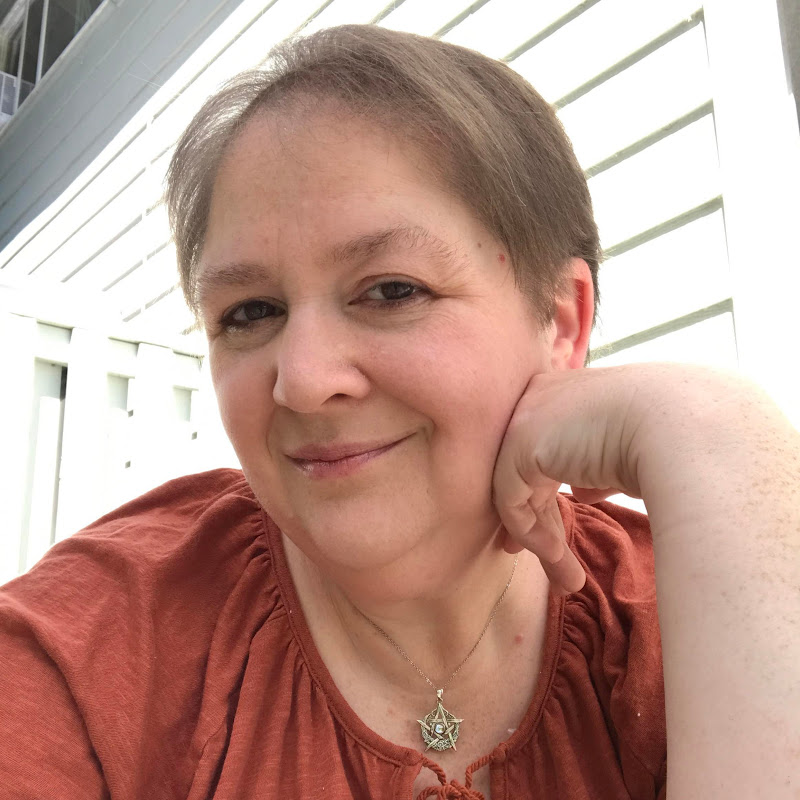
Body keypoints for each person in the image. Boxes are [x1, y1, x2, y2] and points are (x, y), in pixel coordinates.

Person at [1, 24, 797, 800]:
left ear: (561, 322)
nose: (302, 382)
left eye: (390, 291)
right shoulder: (89, 651)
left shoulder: (697, 625)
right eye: (251, 312)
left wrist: (719, 430)